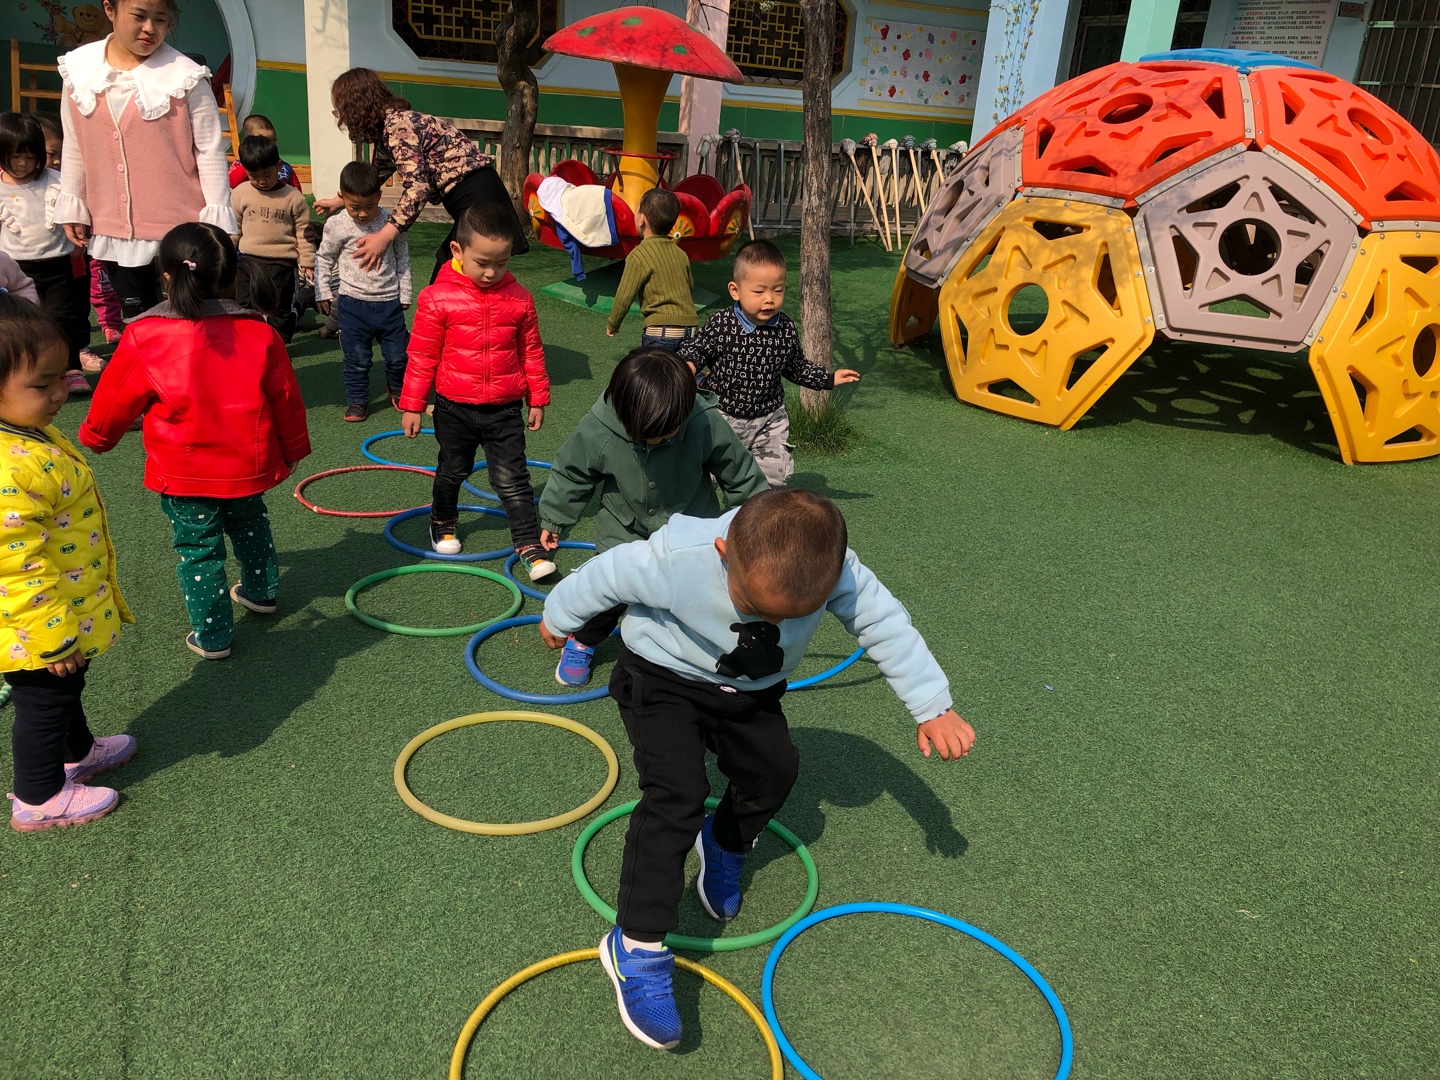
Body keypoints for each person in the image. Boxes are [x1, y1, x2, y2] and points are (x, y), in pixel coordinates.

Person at [538, 488, 975, 1048]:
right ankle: (636, 946)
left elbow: (886, 624)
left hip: (751, 691)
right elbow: (604, 576)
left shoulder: (834, 569)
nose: (768, 621)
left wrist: (933, 706)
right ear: (723, 553)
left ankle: (723, 842)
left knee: (775, 771)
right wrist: (560, 616)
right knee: (675, 796)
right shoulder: (679, 556)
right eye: (755, 606)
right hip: (662, 678)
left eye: (787, 617)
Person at [78, 222, 310, 661]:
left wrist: (96, 437)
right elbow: (285, 397)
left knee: (199, 550)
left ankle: (213, 635)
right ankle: (262, 591)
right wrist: (293, 447)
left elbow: (113, 399)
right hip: (247, 464)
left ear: (166, 276)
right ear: (231, 275)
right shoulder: (259, 331)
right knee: (250, 522)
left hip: (184, 474)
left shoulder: (144, 335)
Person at [538, 347, 767, 687]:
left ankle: (692, 652)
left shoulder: (703, 421)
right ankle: (583, 641)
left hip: (692, 528)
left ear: (684, 409)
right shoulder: (599, 428)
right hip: (624, 528)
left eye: (667, 433)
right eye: (648, 435)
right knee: (609, 592)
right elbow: (572, 473)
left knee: (697, 593)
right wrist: (555, 518)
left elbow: (740, 473)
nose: (658, 441)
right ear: (624, 412)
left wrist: (760, 525)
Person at [0, 294, 136, 832]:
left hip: (59, 609)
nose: (61, 392)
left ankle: (77, 752)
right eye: (42, 385)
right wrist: (52, 634)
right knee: (44, 703)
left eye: (62, 377)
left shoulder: (24, 431)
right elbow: (15, 567)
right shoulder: (8, 469)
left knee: (66, 689)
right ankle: (38, 797)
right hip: (35, 624)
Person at [54, 0, 238, 322]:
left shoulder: (185, 76)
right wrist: (73, 202)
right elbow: (74, 143)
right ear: (110, 10)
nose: (150, 28)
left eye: (160, 19)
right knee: (137, 323)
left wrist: (218, 221)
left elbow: (209, 150)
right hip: (113, 230)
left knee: (191, 323)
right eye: (139, 16)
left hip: (181, 232)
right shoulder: (79, 70)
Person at [398, 201, 552, 577]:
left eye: (502, 263)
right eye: (482, 262)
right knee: (454, 469)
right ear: (457, 250)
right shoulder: (436, 298)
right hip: (455, 407)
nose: (491, 272)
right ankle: (442, 520)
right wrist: (412, 404)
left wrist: (537, 397)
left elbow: (531, 351)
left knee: (512, 479)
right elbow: (422, 355)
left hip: (505, 407)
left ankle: (528, 543)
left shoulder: (519, 299)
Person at [316, 67, 527, 284]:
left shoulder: (398, 127)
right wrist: (339, 200)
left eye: (339, 111)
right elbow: (374, 176)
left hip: (479, 198)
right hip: (478, 194)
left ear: (355, 107)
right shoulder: (391, 127)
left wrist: (385, 236)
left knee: (451, 276)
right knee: (454, 275)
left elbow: (418, 188)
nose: (341, 118)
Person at [679, 240, 860, 488]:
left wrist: (828, 378)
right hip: (723, 415)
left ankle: (763, 508)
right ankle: (702, 505)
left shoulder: (785, 328)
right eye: (759, 291)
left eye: (778, 290)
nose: (769, 299)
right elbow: (698, 347)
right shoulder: (721, 324)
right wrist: (688, 364)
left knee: (774, 475)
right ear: (735, 290)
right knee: (707, 475)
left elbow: (795, 366)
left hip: (769, 417)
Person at [0, 113, 92, 396]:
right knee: (21, 323)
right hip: (15, 269)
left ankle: (71, 369)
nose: (23, 163)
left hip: (57, 265)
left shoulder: (55, 180)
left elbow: (78, 202)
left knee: (62, 318)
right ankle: (23, 372)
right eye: (16, 156)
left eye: (30, 157)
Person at [314, 161, 411, 421]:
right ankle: (357, 401)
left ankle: (398, 388)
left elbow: (402, 257)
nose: (363, 214)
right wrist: (322, 290)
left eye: (369, 206)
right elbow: (324, 258)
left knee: (399, 354)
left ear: (379, 195)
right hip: (352, 304)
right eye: (354, 207)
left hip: (389, 302)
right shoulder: (336, 225)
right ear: (342, 197)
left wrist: (405, 293)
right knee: (357, 358)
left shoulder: (391, 222)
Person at [32, 110, 121, 356]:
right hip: (36, 262)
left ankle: (80, 349)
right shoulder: (22, 185)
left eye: (62, 154)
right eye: (51, 154)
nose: (57, 161)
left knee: (76, 305)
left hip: (76, 257)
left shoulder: (68, 181)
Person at [230, 134, 314, 342]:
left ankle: (279, 347)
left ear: (278, 166)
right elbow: (234, 227)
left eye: (267, 174)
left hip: (281, 264)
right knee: (245, 306)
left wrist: (307, 261)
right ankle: (250, 344)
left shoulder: (293, 197)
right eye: (253, 175)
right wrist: (228, 253)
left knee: (279, 309)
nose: (261, 181)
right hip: (248, 262)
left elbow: (304, 230)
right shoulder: (240, 193)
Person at [605, 189, 699, 351]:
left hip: (660, 331)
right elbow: (689, 285)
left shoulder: (638, 255)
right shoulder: (681, 254)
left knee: (655, 367)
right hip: (690, 328)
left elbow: (625, 295)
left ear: (641, 219)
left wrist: (613, 323)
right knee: (681, 367)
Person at [226, 114, 302, 191]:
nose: (265, 145)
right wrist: (249, 162)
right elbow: (230, 182)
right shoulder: (240, 166)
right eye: (260, 141)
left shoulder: (284, 167)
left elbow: (296, 192)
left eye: (271, 141)